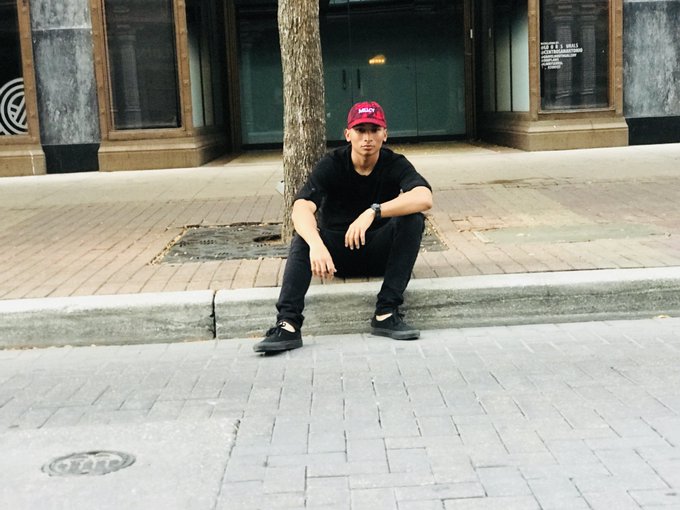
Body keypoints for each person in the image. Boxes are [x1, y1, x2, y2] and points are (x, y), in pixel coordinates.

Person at [253, 101, 433, 353]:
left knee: (413, 219)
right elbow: (301, 207)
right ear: (348, 134)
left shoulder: (395, 163)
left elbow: (424, 197)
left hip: (380, 254)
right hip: (335, 259)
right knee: (303, 236)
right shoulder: (333, 163)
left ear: (385, 134)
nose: (367, 138)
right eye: (360, 130)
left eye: (374, 130)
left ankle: (386, 312)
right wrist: (316, 244)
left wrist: (373, 211)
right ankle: (288, 325)